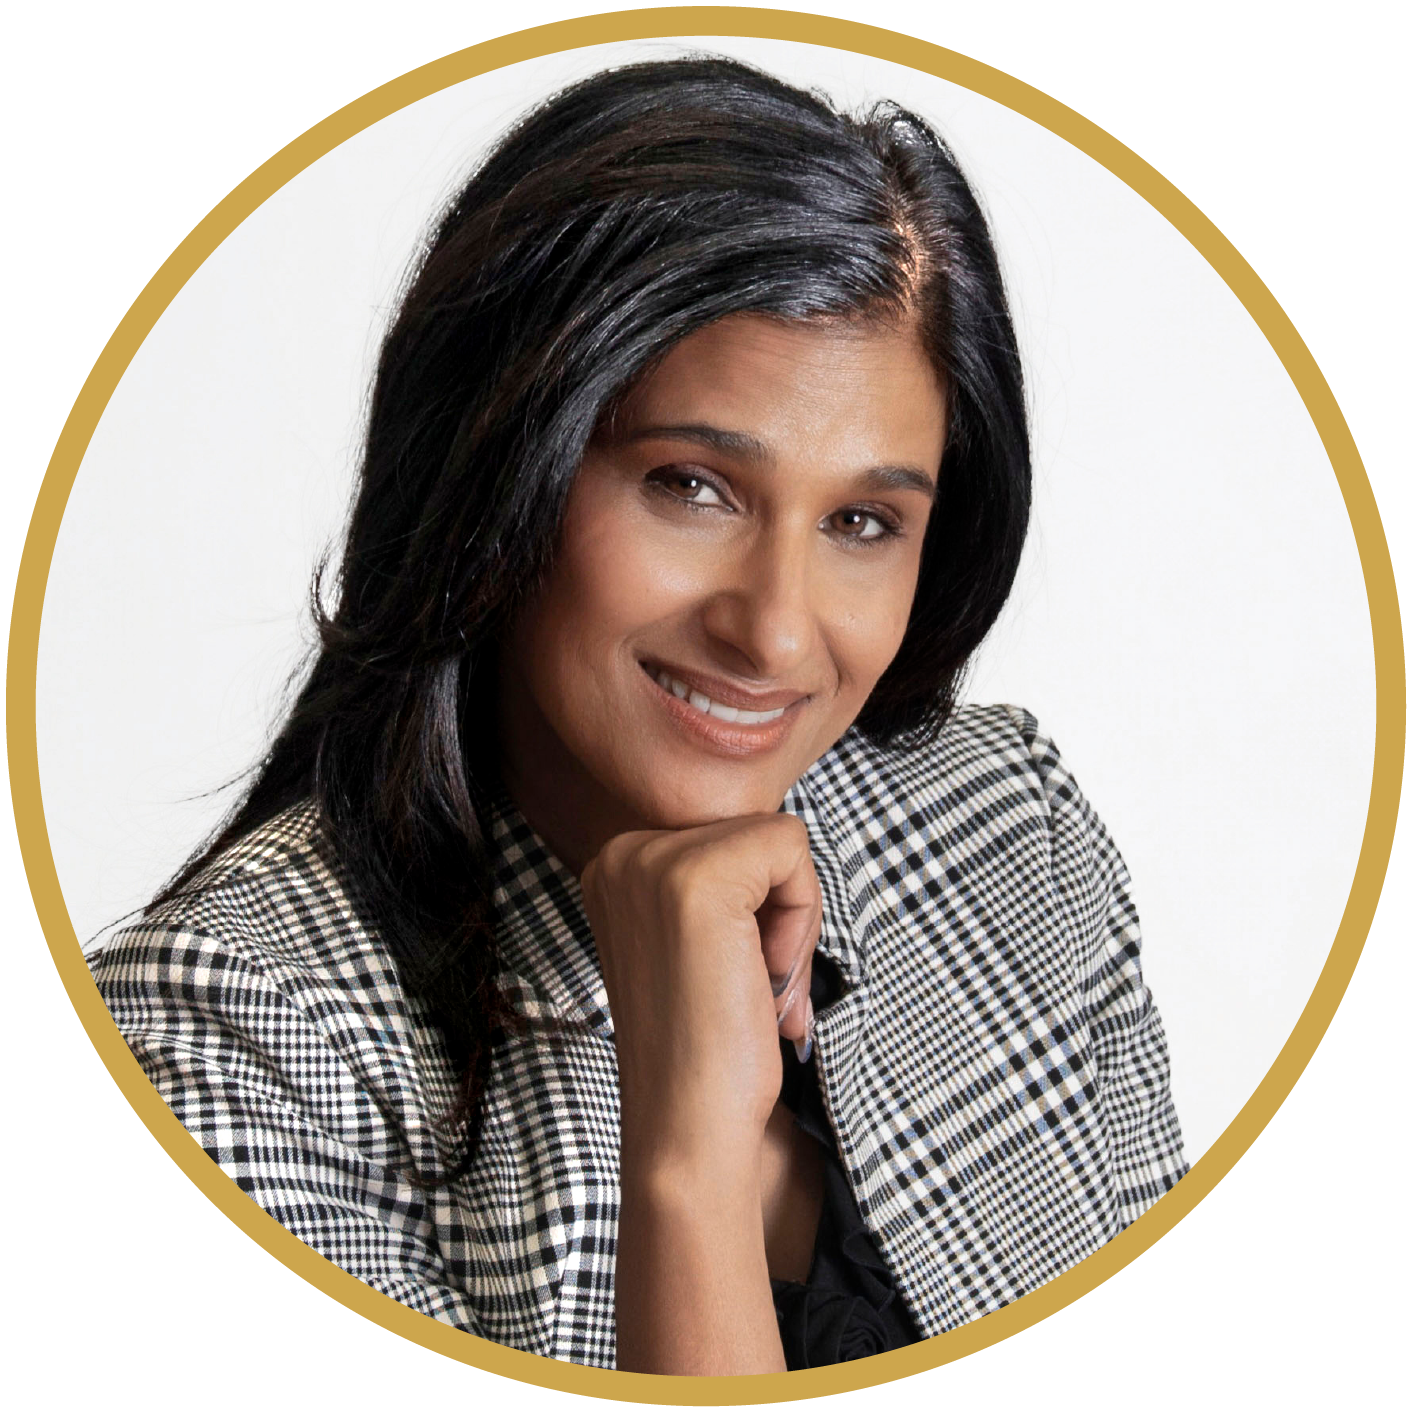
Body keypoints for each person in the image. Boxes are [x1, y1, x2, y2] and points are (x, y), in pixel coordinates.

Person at [90, 56, 1187, 1373]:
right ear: (503, 466)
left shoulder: (1007, 834)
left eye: (861, 522)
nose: (775, 632)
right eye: (691, 486)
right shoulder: (231, 1034)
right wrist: (689, 1164)